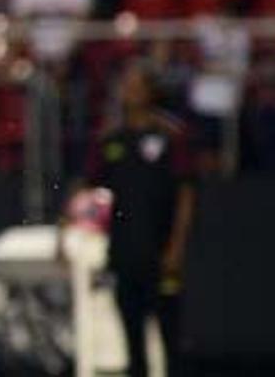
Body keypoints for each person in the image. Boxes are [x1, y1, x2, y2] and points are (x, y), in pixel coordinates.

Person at [71, 64, 195, 377]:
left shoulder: (169, 136)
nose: (129, 91)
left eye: (136, 85)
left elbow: (185, 193)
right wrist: (71, 226)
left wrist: (176, 248)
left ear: (151, 91)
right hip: (124, 255)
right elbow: (87, 189)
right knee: (132, 334)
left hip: (161, 252)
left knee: (171, 336)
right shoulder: (110, 139)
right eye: (125, 85)